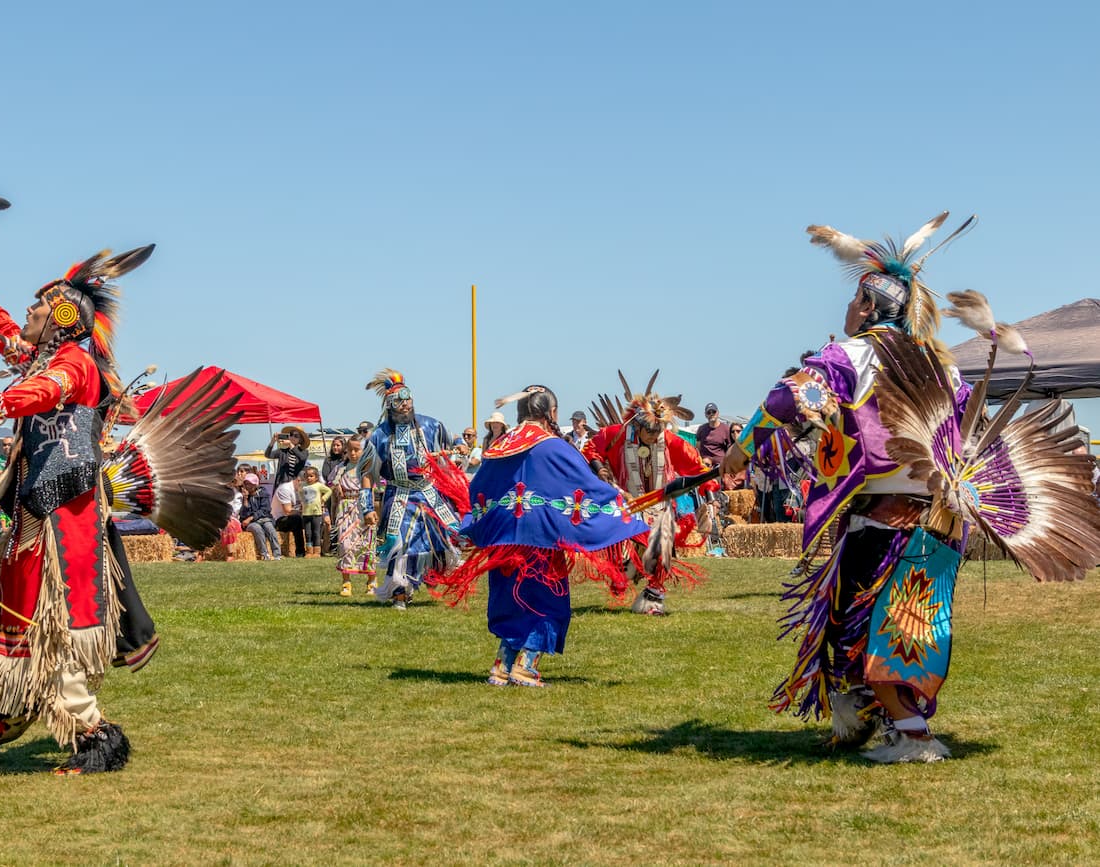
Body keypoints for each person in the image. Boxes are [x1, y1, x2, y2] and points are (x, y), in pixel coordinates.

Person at [717, 212, 1100, 763]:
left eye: (854, 303)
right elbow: (968, 428)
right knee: (909, 624)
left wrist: (740, 449)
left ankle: (913, 734)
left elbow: (787, 400)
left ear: (870, 306)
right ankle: (872, 717)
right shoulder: (943, 368)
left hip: (884, 522)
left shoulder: (846, 357)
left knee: (869, 624)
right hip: (940, 523)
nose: (848, 311)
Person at [0, 245, 162, 774]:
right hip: (35, 509)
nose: (28, 315)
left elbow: (37, 394)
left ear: (61, 318)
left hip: (68, 517)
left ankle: (95, 736)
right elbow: (1, 329)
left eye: (40, 309)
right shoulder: (44, 356)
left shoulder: (74, 365)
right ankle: (15, 698)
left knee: (58, 624)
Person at [433, 386, 649, 687]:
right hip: (540, 541)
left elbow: (479, 489)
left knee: (511, 599)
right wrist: (622, 504)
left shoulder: (500, 446)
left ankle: (501, 668)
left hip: (504, 540)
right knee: (546, 600)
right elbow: (587, 486)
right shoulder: (554, 446)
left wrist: (478, 523)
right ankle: (526, 668)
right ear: (551, 413)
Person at [583, 373, 717, 615]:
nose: (655, 436)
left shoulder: (671, 442)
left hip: (660, 506)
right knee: (625, 569)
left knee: (662, 547)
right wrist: (600, 468)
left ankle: (653, 598)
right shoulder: (617, 434)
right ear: (637, 425)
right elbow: (590, 448)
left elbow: (699, 468)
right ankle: (627, 571)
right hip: (627, 503)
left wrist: (709, 498)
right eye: (650, 432)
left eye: (659, 431)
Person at [358, 369, 462, 610]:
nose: (404, 406)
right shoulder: (380, 436)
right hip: (399, 496)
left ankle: (424, 579)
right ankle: (400, 592)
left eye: (408, 400)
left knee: (435, 542)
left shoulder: (432, 426)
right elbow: (367, 474)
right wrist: (366, 508)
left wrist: (460, 447)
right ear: (390, 406)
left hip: (429, 493)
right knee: (400, 544)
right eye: (398, 402)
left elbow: (452, 446)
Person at [333, 435, 377, 596]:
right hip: (345, 508)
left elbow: (370, 491)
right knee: (345, 544)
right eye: (350, 450)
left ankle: (371, 581)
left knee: (367, 544)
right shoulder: (341, 469)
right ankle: (346, 582)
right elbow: (334, 489)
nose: (352, 453)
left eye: (356, 450)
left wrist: (371, 511)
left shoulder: (367, 469)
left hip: (363, 508)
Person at [238, 472, 281, 560]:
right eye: (246, 484)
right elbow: (243, 515)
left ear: (255, 485)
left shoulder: (263, 494)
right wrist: (245, 500)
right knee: (257, 529)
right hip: (251, 523)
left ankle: (277, 554)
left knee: (270, 528)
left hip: (263, 519)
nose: (247, 486)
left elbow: (265, 510)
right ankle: (264, 554)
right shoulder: (242, 496)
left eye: (250, 484)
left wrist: (251, 517)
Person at [298, 465, 331, 558]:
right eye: (307, 476)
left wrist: (323, 499)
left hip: (317, 513)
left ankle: (317, 551)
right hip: (306, 513)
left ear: (316, 477)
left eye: (311, 476)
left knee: (316, 532)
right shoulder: (303, 486)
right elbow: (299, 492)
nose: (309, 478)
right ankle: (309, 551)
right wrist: (302, 501)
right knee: (308, 533)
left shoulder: (319, 486)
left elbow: (329, 491)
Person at [272, 476, 306, 557]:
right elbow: (288, 511)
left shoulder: (301, 489)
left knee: (314, 518)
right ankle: (300, 551)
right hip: (279, 520)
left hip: (294, 515)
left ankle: (315, 550)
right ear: (299, 480)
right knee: (296, 519)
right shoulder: (285, 489)